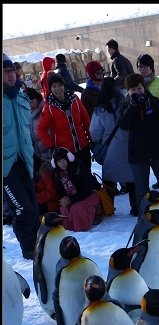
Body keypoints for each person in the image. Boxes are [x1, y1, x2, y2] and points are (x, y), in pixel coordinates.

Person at [116, 73, 159, 211]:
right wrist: (133, 106)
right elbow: (122, 124)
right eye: (133, 90)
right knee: (141, 187)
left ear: (144, 88)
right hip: (138, 153)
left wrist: (151, 101)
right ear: (128, 91)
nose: (137, 92)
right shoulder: (125, 104)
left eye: (139, 88)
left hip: (157, 149)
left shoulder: (151, 100)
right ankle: (144, 214)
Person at [3, 53, 39, 259]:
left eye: (12, 71)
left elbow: (25, 131)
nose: (11, 75)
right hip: (6, 167)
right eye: (6, 71)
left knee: (33, 209)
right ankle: (29, 250)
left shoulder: (20, 96)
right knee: (23, 210)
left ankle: (37, 246)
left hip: (24, 160)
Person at [90, 77, 137, 214]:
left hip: (110, 148)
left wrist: (100, 140)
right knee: (131, 178)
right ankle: (135, 208)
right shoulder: (125, 103)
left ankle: (108, 208)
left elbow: (94, 132)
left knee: (109, 180)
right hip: (127, 146)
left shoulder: (100, 109)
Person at [37, 73, 92, 174]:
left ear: (64, 85)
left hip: (82, 146)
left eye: (60, 85)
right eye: (54, 86)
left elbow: (85, 120)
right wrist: (51, 146)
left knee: (87, 173)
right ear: (50, 89)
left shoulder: (75, 100)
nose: (58, 88)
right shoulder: (49, 107)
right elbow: (41, 129)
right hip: (66, 151)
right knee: (74, 177)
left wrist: (90, 137)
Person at [137, 53, 159, 191]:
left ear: (151, 67)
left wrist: (154, 103)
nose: (141, 69)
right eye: (139, 66)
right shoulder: (137, 83)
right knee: (149, 157)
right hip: (142, 128)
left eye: (144, 66)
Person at [51, 147, 103, 231]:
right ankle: (70, 229)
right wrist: (64, 200)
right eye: (59, 161)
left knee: (76, 208)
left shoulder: (80, 168)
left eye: (64, 160)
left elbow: (88, 190)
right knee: (64, 208)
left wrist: (71, 200)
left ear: (69, 158)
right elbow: (60, 191)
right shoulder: (57, 174)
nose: (62, 163)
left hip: (91, 195)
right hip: (73, 198)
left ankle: (88, 220)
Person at [25, 88, 49, 177]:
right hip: (39, 157)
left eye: (31, 101)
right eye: (27, 102)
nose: (29, 105)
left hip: (50, 155)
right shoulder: (28, 115)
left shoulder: (44, 111)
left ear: (37, 99)